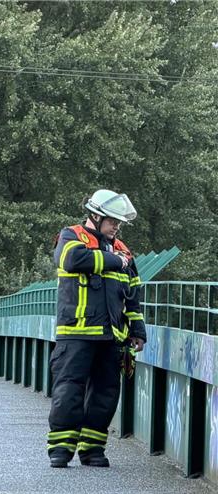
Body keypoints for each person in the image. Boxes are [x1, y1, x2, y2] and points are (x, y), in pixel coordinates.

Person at [48, 189, 146, 468]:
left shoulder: (123, 250)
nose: (116, 227)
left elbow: (133, 294)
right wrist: (114, 261)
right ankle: (61, 449)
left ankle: (92, 449)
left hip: (112, 336)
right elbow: (72, 260)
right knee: (69, 391)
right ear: (96, 215)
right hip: (76, 334)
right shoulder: (72, 236)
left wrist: (138, 330)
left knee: (105, 394)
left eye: (119, 222)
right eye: (112, 221)